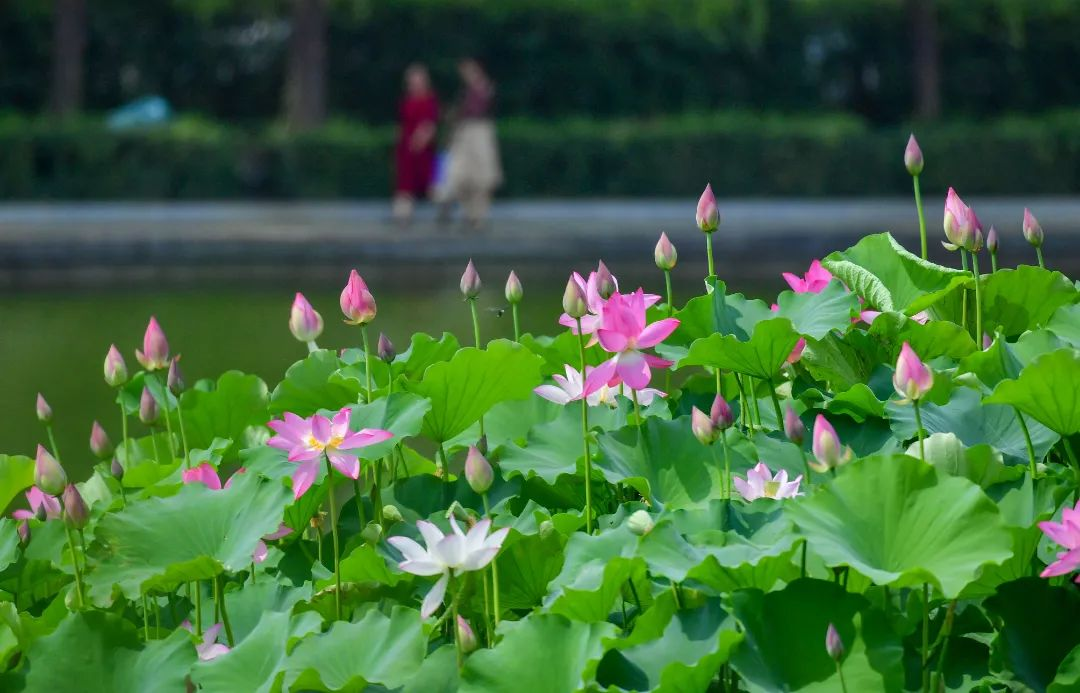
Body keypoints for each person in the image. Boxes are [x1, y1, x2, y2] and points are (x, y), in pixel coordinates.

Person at [442, 58, 502, 229]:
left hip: (481, 132)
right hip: (464, 132)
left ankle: (478, 216)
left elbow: (487, 110)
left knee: (483, 178)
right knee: (460, 176)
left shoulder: (488, 89)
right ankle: (469, 213)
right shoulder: (464, 92)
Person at [393, 64, 439, 225]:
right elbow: (401, 123)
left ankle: (443, 208)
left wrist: (420, 141)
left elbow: (430, 124)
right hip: (406, 147)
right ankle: (402, 216)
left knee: (429, 182)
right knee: (405, 183)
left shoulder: (429, 100)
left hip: (422, 148)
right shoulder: (406, 100)